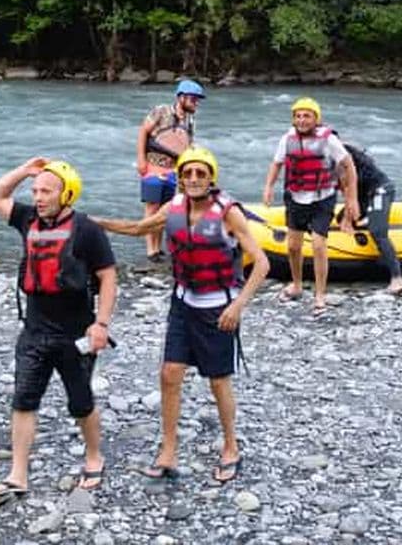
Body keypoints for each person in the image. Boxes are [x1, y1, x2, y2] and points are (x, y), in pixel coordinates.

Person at [92, 146, 269, 483]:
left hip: (218, 308)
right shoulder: (173, 208)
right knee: (170, 373)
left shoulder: (228, 213)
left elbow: (261, 263)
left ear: (211, 178)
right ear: (181, 178)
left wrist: (237, 305)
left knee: (218, 381)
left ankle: (231, 446)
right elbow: (138, 228)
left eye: (200, 173)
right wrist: (95, 222)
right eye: (187, 173)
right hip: (183, 303)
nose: (193, 179)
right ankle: (168, 451)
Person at [0, 158, 117, 499]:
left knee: (80, 401)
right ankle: (18, 474)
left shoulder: (87, 229)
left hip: (75, 334)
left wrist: (101, 324)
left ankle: (93, 456)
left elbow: (108, 276)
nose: (38, 197)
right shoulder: (28, 219)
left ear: (67, 194)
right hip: (34, 330)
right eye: (36, 191)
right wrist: (24, 170)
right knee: (23, 400)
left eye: (46, 191)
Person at [261, 97, 359, 318]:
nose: (302, 120)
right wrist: (268, 187)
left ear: (316, 118)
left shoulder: (329, 140)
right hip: (296, 197)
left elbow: (348, 164)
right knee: (294, 247)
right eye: (298, 116)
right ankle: (296, 285)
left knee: (317, 245)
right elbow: (276, 164)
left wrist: (351, 198)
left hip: (322, 198)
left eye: (307, 115)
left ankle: (320, 295)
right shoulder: (287, 138)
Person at [136, 79, 205, 262]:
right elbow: (143, 132)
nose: (196, 103)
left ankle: (158, 248)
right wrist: (141, 160)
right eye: (193, 99)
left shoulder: (190, 121)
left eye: (197, 100)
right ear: (181, 97)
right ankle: (151, 250)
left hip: (172, 172)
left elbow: (188, 145)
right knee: (152, 208)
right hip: (152, 168)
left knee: (164, 211)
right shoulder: (161, 111)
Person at [334, 135, 402, 296]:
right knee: (340, 219)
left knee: (377, 231)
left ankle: (397, 278)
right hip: (364, 194)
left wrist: (349, 217)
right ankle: (368, 219)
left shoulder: (344, 155)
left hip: (379, 190)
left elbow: (349, 190)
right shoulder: (327, 158)